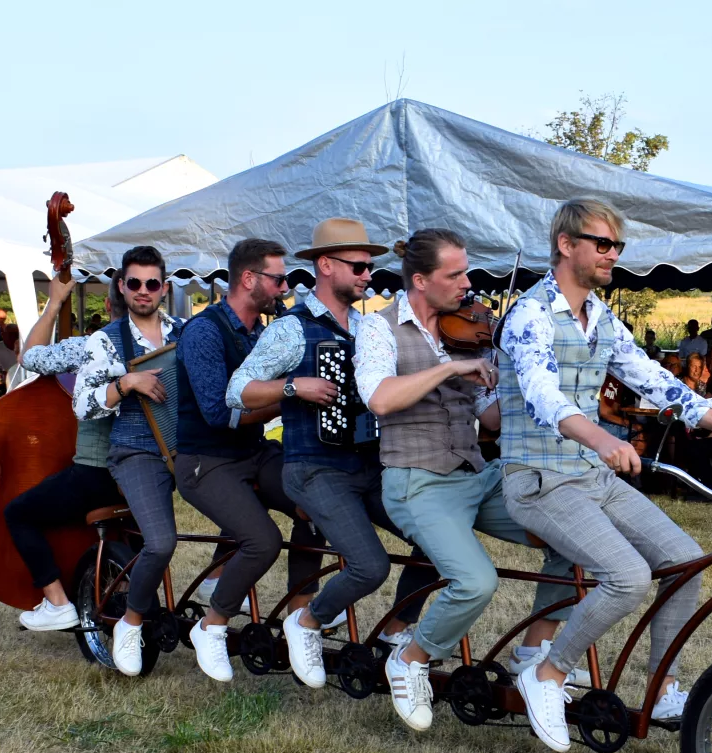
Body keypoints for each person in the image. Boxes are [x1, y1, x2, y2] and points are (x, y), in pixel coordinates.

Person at [498, 198, 712, 752]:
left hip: (589, 476)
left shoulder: (599, 316)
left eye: (617, 245)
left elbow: (649, 376)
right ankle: (546, 674)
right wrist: (603, 439)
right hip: (537, 477)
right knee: (626, 576)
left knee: (684, 562)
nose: (612, 254)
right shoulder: (530, 314)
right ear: (566, 244)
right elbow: (542, 395)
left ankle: (663, 688)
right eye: (602, 243)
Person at [358, 228, 574, 730]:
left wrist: (516, 374)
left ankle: (532, 652)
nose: (467, 283)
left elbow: (492, 418)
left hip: (475, 474)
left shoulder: (468, 332)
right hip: (417, 481)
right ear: (420, 280)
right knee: (476, 582)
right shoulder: (378, 327)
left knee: (573, 532)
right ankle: (410, 658)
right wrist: (450, 369)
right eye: (454, 274)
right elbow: (380, 398)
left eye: (466, 272)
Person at [229, 219, 438, 690]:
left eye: (370, 267)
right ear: (325, 265)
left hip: (369, 464)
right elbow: (236, 390)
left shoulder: (369, 327)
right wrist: (292, 386)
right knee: (370, 566)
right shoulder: (291, 329)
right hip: (314, 468)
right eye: (359, 266)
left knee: (439, 540)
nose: (368, 275)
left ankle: (396, 630)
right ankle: (307, 621)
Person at [167, 237, 321, 682]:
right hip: (206, 460)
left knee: (319, 503)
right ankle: (211, 625)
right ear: (249, 278)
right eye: (278, 279)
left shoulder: (262, 332)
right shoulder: (204, 331)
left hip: (252, 452)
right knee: (262, 541)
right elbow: (219, 413)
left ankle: (300, 621)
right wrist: (291, 395)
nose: (285, 288)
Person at [64, 246, 190, 674]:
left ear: (164, 288)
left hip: (185, 448)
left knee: (247, 521)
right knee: (161, 541)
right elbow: (82, 405)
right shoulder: (106, 340)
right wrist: (127, 383)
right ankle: (130, 623)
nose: (143, 290)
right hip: (135, 451)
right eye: (134, 282)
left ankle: (215, 595)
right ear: (121, 286)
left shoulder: (183, 331)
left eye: (152, 283)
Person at [5, 274, 130, 634]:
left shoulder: (91, 346)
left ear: (106, 304)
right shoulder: (161, 343)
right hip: (143, 473)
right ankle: (122, 588)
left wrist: (55, 303)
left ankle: (58, 603)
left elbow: (31, 357)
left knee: (18, 513)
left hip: (97, 473)